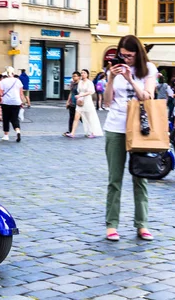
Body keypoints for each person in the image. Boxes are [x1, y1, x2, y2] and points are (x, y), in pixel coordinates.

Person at [103, 35, 157, 241]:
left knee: (140, 177)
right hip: (115, 127)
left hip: (139, 129)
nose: (126, 59)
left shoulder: (148, 70)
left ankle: (142, 224)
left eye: (130, 56)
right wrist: (110, 79)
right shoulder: (114, 70)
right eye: (122, 55)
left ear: (138, 54)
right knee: (114, 180)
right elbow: (107, 102)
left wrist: (130, 79)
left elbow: (147, 97)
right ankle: (111, 225)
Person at [65, 69, 103, 138]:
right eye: (82, 73)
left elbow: (91, 92)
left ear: (87, 74)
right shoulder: (80, 82)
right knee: (76, 117)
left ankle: (93, 132)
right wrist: (78, 97)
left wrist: (81, 95)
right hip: (80, 101)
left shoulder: (89, 82)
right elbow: (78, 91)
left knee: (89, 117)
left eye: (84, 73)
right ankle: (72, 132)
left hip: (87, 101)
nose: (82, 74)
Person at [0, 67, 24, 142]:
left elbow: (1, 92)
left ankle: (6, 135)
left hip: (6, 102)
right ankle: (18, 131)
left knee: (5, 118)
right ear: (13, 73)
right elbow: (21, 93)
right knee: (15, 118)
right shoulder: (18, 81)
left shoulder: (3, 81)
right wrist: (21, 101)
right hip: (16, 102)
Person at [64, 71, 80, 137]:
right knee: (71, 117)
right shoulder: (72, 84)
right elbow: (71, 93)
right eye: (73, 76)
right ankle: (70, 131)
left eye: (75, 76)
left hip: (78, 103)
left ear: (79, 77)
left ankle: (90, 129)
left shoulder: (81, 84)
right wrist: (68, 101)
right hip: (72, 102)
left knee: (82, 118)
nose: (73, 77)